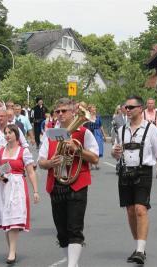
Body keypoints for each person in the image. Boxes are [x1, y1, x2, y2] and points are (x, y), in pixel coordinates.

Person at [38, 98, 99, 267]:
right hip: (56, 184)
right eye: (57, 111)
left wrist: (77, 149)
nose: (60, 114)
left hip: (77, 183)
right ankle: (72, 262)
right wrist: (50, 163)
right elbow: (41, 161)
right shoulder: (50, 133)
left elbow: (95, 158)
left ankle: (72, 265)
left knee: (74, 228)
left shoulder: (84, 133)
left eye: (64, 111)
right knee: (62, 231)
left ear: (73, 112)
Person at [111, 96, 157, 264]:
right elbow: (115, 153)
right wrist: (115, 154)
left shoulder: (151, 129)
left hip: (143, 172)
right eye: (126, 107)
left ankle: (140, 249)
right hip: (124, 173)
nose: (127, 110)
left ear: (141, 108)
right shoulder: (122, 130)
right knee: (130, 210)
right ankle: (139, 246)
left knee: (140, 209)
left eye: (131, 107)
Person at [0, 124, 39, 264]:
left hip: (17, 186)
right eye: (5, 133)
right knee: (7, 219)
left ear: (16, 135)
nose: (7, 135)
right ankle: (11, 249)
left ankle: (12, 252)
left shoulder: (23, 151)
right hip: (3, 186)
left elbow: (31, 172)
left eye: (10, 132)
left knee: (13, 219)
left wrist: (35, 191)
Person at [143, 98, 157, 178]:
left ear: (154, 104)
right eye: (149, 103)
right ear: (146, 104)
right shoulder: (143, 113)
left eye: (152, 103)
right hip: (146, 136)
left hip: (156, 135)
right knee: (146, 152)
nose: (150, 105)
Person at [85, 104, 106, 170]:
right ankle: (91, 164)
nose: (94, 109)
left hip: (97, 133)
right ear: (90, 109)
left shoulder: (98, 116)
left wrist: (104, 134)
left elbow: (101, 126)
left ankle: (96, 163)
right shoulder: (87, 116)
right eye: (93, 108)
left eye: (95, 107)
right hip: (90, 132)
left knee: (98, 148)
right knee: (91, 148)